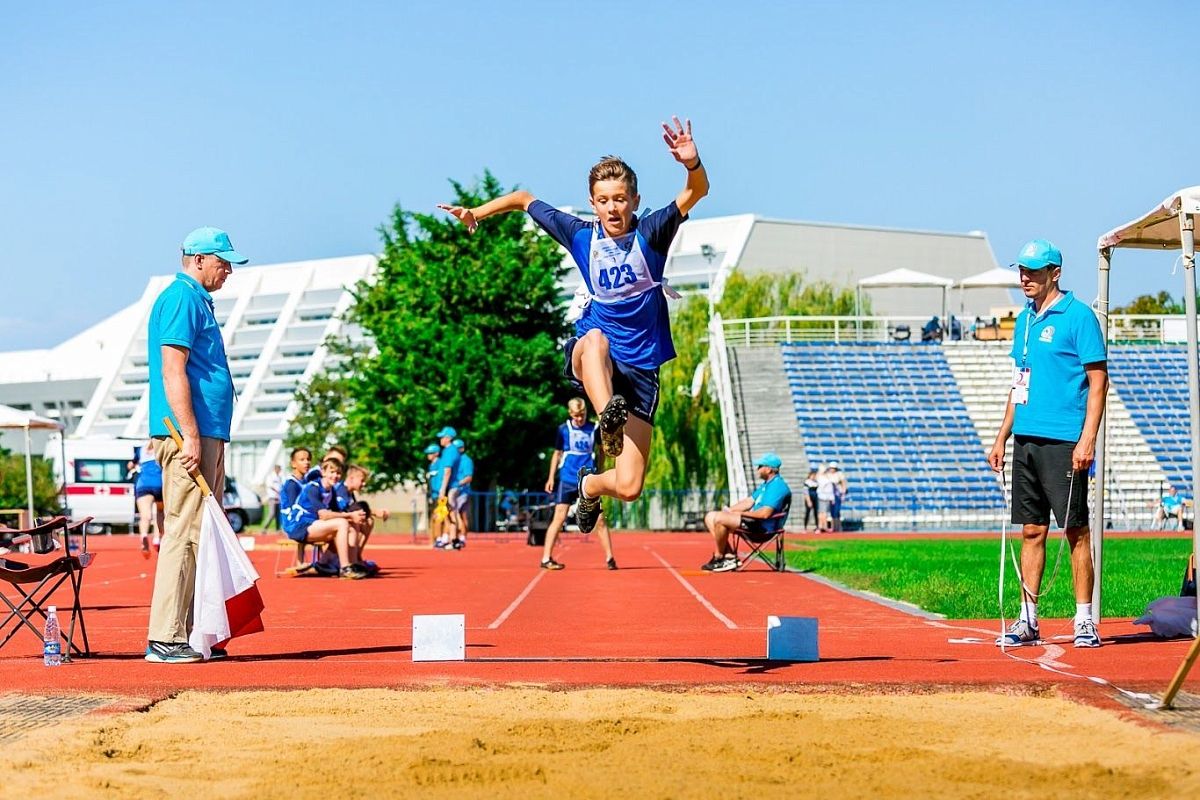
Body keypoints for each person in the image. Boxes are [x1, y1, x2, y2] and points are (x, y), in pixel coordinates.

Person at [438, 116, 709, 534]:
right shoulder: (581, 235)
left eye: (620, 199)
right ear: (592, 202)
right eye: (603, 200)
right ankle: (607, 418)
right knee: (595, 339)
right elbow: (524, 198)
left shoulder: (653, 232)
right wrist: (477, 212)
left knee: (631, 484)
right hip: (596, 360)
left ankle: (590, 484)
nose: (612, 208)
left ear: (634, 200)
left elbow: (696, 191)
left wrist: (691, 163)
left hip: (641, 369)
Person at [988, 239, 1108, 649]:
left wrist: (1088, 437)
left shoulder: (1079, 317)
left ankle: (1084, 620)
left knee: (1076, 531)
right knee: (1032, 531)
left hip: (1065, 441)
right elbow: (1018, 382)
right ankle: (1028, 619)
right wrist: (1002, 434)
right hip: (1026, 440)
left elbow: (1098, 381)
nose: (1025, 278)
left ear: (1054, 273)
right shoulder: (1023, 321)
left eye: (1033, 271)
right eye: (1021, 270)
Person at [144, 227, 246, 664]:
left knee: (203, 535)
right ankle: (165, 636)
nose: (227, 270)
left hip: (205, 431)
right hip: (190, 433)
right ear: (198, 258)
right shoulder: (183, 297)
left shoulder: (195, 299)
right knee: (185, 533)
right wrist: (187, 434)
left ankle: (191, 632)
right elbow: (173, 369)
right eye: (222, 261)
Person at [540, 397, 616, 570]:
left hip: (588, 479)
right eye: (576, 416)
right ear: (570, 414)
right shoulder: (563, 430)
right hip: (567, 478)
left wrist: (601, 471)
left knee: (600, 519)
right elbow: (557, 454)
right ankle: (546, 558)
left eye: (582, 415)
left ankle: (610, 558)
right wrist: (551, 477)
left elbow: (601, 450)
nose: (579, 419)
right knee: (559, 517)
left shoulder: (594, 428)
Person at [701, 453, 792, 572]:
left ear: (769, 469)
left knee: (719, 519)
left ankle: (719, 557)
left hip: (763, 528)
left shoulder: (778, 487)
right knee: (710, 516)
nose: (757, 469)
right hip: (754, 522)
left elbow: (764, 514)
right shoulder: (766, 485)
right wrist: (730, 510)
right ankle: (729, 556)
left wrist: (740, 514)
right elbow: (749, 501)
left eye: (760, 466)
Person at [281, 458, 369, 579]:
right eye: (332, 472)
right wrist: (349, 516)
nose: (335, 476)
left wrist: (355, 516)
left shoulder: (331, 490)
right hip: (299, 526)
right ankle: (344, 568)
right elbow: (324, 515)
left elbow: (337, 512)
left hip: (314, 525)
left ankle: (352, 564)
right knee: (342, 523)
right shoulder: (313, 488)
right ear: (323, 472)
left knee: (352, 526)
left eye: (338, 473)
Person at [133, 440, 164, 559]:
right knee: (160, 512)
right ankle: (157, 538)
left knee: (145, 516)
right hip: (159, 483)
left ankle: (144, 535)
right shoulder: (161, 446)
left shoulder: (141, 449)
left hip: (143, 484)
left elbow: (131, 465)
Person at [431, 426, 461, 548]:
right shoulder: (448, 451)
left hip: (450, 487)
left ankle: (454, 540)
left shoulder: (450, 451)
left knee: (451, 513)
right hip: (449, 486)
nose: (440, 439)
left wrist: (442, 489)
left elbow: (447, 471)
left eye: (442, 437)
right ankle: (451, 540)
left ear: (448, 438)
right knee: (447, 513)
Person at [447, 438, 473, 550]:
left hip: (462, 492)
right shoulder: (454, 461)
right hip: (454, 492)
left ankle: (462, 538)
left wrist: (457, 484)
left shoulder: (466, 460)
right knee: (455, 515)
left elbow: (469, 477)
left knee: (461, 515)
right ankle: (455, 538)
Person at [815, 465, 837, 532]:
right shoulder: (822, 478)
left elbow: (830, 489)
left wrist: (832, 498)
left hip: (826, 497)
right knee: (822, 513)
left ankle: (822, 526)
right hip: (823, 496)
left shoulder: (826, 477)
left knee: (823, 513)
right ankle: (822, 526)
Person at [828, 462, 848, 532]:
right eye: (831, 468)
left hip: (837, 494)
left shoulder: (839, 474)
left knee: (837, 511)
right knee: (832, 512)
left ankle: (838, 526)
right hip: (830, 494)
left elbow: (843, 483)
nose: (831, 469)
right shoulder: (828, 474)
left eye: (833, 468)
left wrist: (843, 494)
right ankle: (833, 527)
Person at [262, 464, 283, 532]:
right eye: (278, 469)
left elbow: (280, 486)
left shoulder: (279, 477)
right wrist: (277, 491)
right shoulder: (270, 476)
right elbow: (270, 486)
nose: (279, 471)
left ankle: (278, 528)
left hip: (278, 498)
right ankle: (265, 528)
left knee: (278, 514)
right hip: (272, 497)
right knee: (272, 513)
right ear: (275, 469)